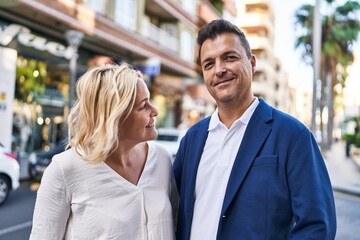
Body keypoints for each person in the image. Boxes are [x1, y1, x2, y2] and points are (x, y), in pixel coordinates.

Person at [173, 19, 336, 240]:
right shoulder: (192, 139)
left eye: (229, 57)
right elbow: (173, 212)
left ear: (252, 63)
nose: (219, 70)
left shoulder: (293, 135)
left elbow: (317, 226)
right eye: (208, 64)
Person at [30, 63, 178, 239]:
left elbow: (177, 226)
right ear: (114, 117)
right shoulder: (65, 169)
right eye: (143, 106)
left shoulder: (161, 158)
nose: (155, 111)